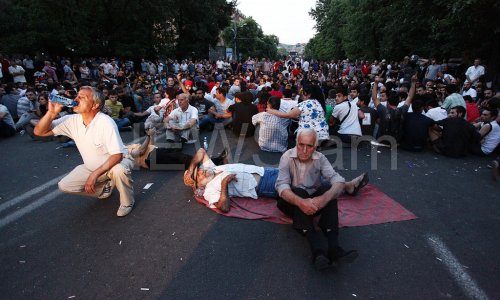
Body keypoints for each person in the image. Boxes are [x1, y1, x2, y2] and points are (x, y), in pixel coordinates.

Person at [34, 86, 135, 217]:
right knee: (65, 185)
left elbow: (117, 156)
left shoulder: (105, 122)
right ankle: (104, 188)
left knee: (119, 170)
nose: (76, 99)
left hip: (115, 163)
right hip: (91, 167)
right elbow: (39, 132)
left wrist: (94, 176)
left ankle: (127, 202)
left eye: (82, 97)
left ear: (95, 105)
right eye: (77, 96)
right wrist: (51, 113)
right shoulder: (71, 120)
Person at [275, 129, 364, 270]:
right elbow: (281, 186)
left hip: (314, 202)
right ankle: (317, 250)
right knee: (298, 191)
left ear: (315, 147)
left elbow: (338, 180)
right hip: (292, 203)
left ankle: (334, 248)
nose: (304, 150)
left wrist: (324, 198)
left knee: (330, 191)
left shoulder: (320, 158)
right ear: (296, 143)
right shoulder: (287, 157)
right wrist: (301, 202)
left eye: (309, 146)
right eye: (301, 145)